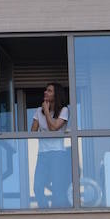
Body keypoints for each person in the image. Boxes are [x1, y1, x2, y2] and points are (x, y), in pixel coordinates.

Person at [30, 81, 72, 209]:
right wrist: (43, 112)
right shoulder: (38, 111)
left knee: (58, 189)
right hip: (42, 154)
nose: (45, 92)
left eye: (49, 91)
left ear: (56, 95)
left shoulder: (64, 110)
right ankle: (45, 212)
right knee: (37, 187)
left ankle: (58, 216)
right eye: (46, 90)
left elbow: (54, 128)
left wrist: (47, 112)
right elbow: (33, 132)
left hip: (57, 154)